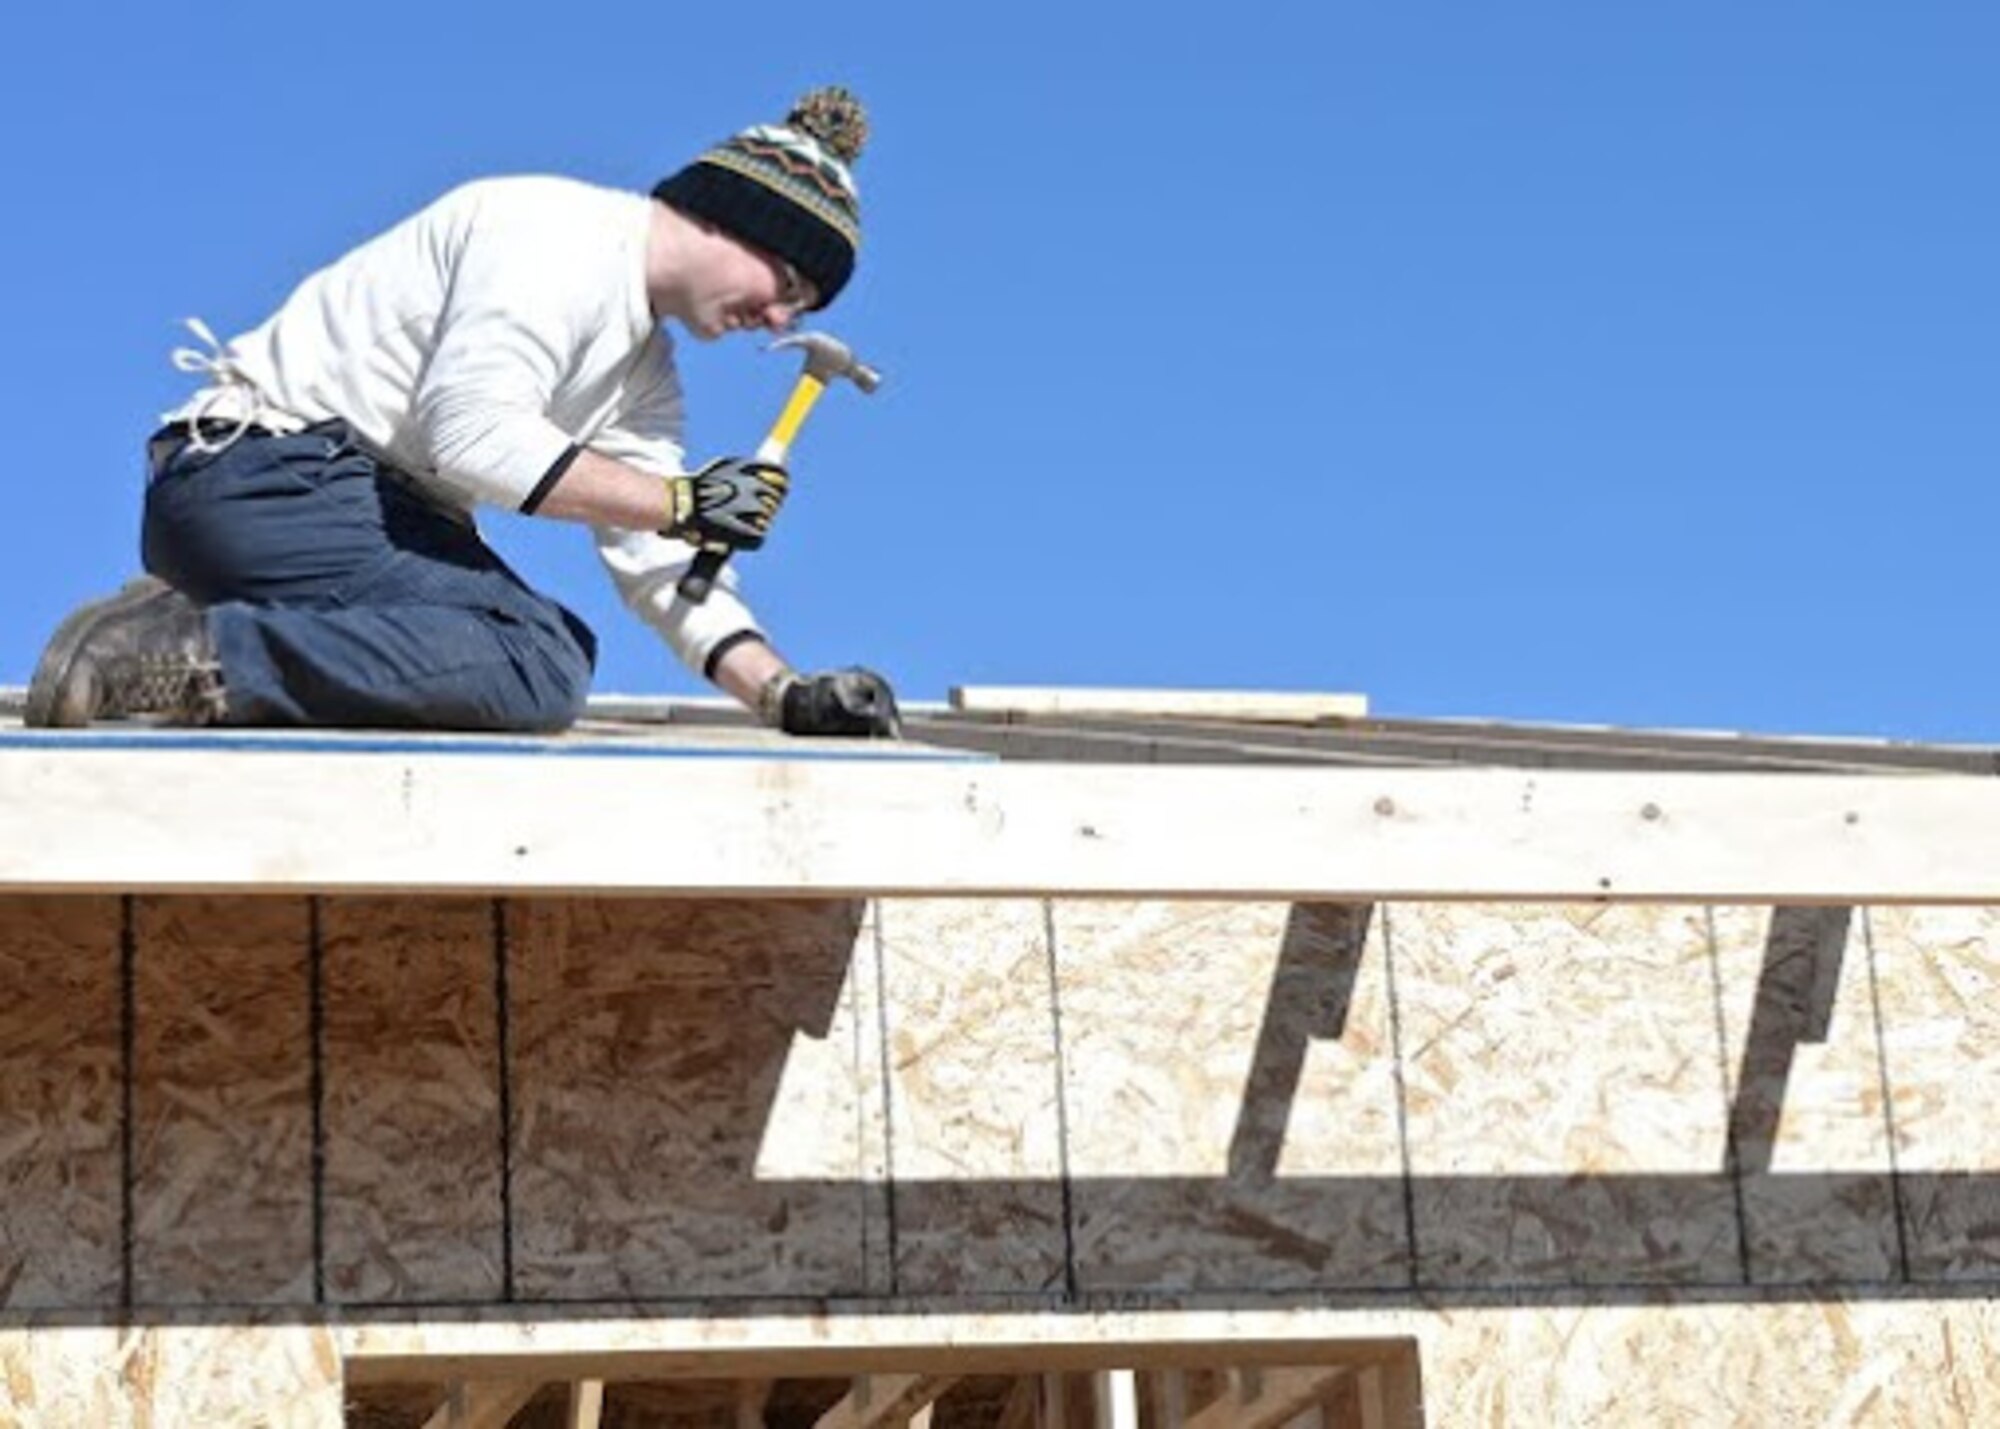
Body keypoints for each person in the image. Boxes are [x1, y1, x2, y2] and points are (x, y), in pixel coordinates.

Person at [25, 86, 901, 739]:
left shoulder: (643, 371)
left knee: (539, 650)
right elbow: (476, 437)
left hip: (335, 505)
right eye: (788, 286)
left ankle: (187, 632)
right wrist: (681, 500)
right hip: (259, 472)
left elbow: (661, 560)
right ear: (734, 221)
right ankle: (171, 656)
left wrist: (787, 695)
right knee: (533, 657)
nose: (783, 320)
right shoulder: (556, 235)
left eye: (804, 311)